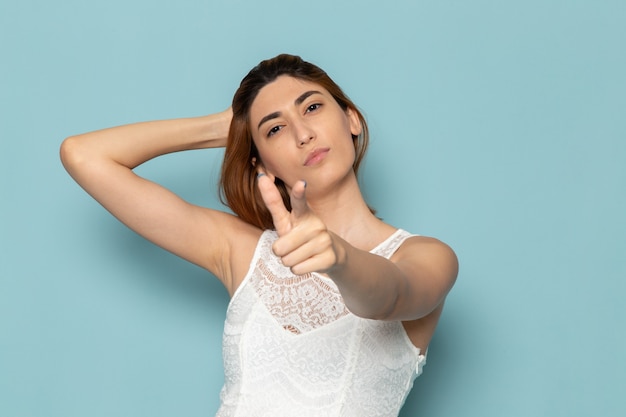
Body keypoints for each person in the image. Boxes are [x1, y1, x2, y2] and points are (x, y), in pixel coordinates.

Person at [60, 53, 458, 416]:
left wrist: (340, 257)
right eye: (275, 129)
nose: (303, 134)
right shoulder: (242, 251)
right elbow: (83, 155)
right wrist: (226, 127)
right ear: (260, 163)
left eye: (313, 107)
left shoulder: (425, 255)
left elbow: (390, 297)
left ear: (351, 118)